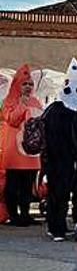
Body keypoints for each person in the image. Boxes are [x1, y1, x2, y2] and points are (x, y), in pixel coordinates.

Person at [43, 58, 77, 241]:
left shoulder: (57, 110)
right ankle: (60, 227)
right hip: (63, 158)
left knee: (71, 191)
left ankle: (65, 226)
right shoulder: (64, 110)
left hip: (69, 159)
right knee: (63, 191)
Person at [1, 64, 43, 226]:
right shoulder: (9, 101)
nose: (28, 87)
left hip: (31, 152)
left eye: (30, 84)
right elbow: (11, 119)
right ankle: (13, 214)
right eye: (24, 84)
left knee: (27, 185)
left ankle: (25, 214)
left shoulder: (36, 101)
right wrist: (22, 105)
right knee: (13, 185)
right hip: (14, 152)